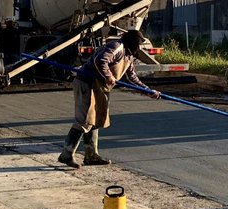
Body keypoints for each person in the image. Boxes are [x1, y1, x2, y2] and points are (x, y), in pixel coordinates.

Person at [58, 28, 161, 168]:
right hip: (87, 82)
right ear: (132, 42)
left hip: (100, 87)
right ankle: (66, 154)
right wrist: (108, 75)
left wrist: (148, 91)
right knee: (84, 120)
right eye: (138, 44)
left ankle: (91, 156)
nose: (139, 48)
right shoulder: (116, 47)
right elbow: (100, 60)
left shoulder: (128, 56)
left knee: (95, 121)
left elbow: (132, 78)